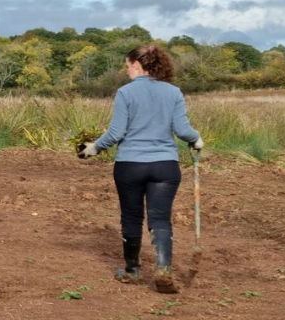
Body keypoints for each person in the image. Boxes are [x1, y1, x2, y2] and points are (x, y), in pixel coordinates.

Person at [77, 45, 203, 294]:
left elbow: (116, 133)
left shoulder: (125, 93)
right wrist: (196, 139)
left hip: (130, 165)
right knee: (160, 219)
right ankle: (163, 268)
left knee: (132, 217)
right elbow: (183, 130)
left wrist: (94, 148)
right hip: (165, 166)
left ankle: (132, 271)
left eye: (127, 66)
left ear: (137, 64)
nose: (126, 72)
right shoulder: (174, 92)